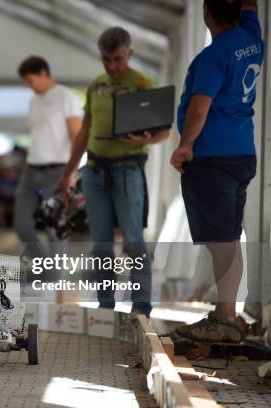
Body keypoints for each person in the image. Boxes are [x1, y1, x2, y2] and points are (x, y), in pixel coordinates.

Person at [60, 28, 171, 317]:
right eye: (106, 59)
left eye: (118, 59)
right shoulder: (96, 86)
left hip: (128, 171)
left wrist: (144, 139)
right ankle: (105, 308)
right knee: (101, 245)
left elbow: (164, 132)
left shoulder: (143, 84)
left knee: (133, 241)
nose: (112, 66)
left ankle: (141, 307)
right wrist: (69, 172)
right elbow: (84, 131)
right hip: (95, 172)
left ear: (130, 54)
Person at [171, 0, 263, 343]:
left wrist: (185, 146)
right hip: (241, 153)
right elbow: (251, 6)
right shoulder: (252, 37)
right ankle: (227, 312)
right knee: (228, 238)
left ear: (206, 13)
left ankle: (225, 318)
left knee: (223, 243)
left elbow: (199, 108)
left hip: (213, 157)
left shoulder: (214, 55)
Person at [15, 56, 83, 259]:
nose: (28, 86)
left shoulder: (66, 97)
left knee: (55, 230)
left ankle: (54, 282)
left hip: (57, 171)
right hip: (31, 169)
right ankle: (44, 268)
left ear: (43, 74)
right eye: (25, 82)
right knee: (22, 226)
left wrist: (71, 172)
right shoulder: (34, 101)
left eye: (30, 80)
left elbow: (76, 136)